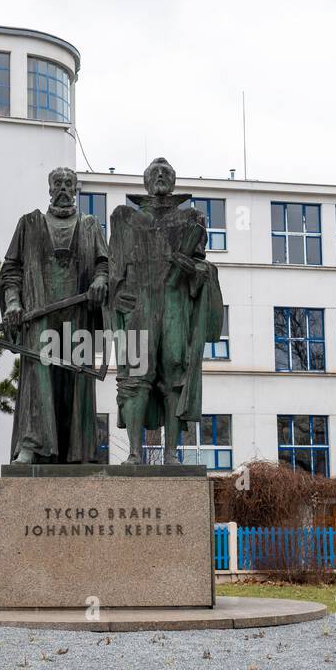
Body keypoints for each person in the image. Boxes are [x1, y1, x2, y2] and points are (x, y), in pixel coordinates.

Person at [108, 157, 224, 464]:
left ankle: (171, 454)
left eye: (167, 173)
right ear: (146, 182)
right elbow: (114, 267)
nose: (161, 176)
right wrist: (117, 294)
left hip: (175, 302)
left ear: (173, 182)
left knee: (176, 372)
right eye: (155, 173)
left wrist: (194, 269)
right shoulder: (124, 217)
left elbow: (201, 265)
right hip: (138, 303)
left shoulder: (192, 219)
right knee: (135, 376)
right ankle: (134, 453)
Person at [0, 166, 109, 464]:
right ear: (49, 188)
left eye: (68, 183)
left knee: (77, 381)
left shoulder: (90, 226)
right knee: (38, 378)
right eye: (57, 183)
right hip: (39, 315)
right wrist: (12, 303)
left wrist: (100, 282)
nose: (62, 187)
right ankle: (31, 446)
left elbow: (105, 266)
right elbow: (11, 271)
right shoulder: (29, 224)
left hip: (79, 316)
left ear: (75, 189)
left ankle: (79, 450)